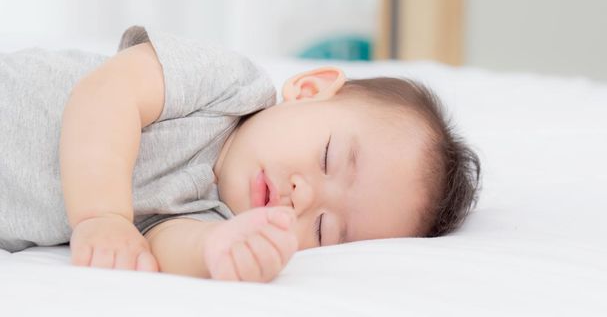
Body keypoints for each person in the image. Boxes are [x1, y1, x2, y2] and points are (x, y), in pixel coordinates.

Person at [0, 26, 481, 282]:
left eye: (323, 229)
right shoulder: (230, 85)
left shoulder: (214, 216)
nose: (303, 195)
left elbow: (166, 246)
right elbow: (106, 93)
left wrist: (219, 252)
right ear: (308, 88)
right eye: (328, 158)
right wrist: (102, 215)